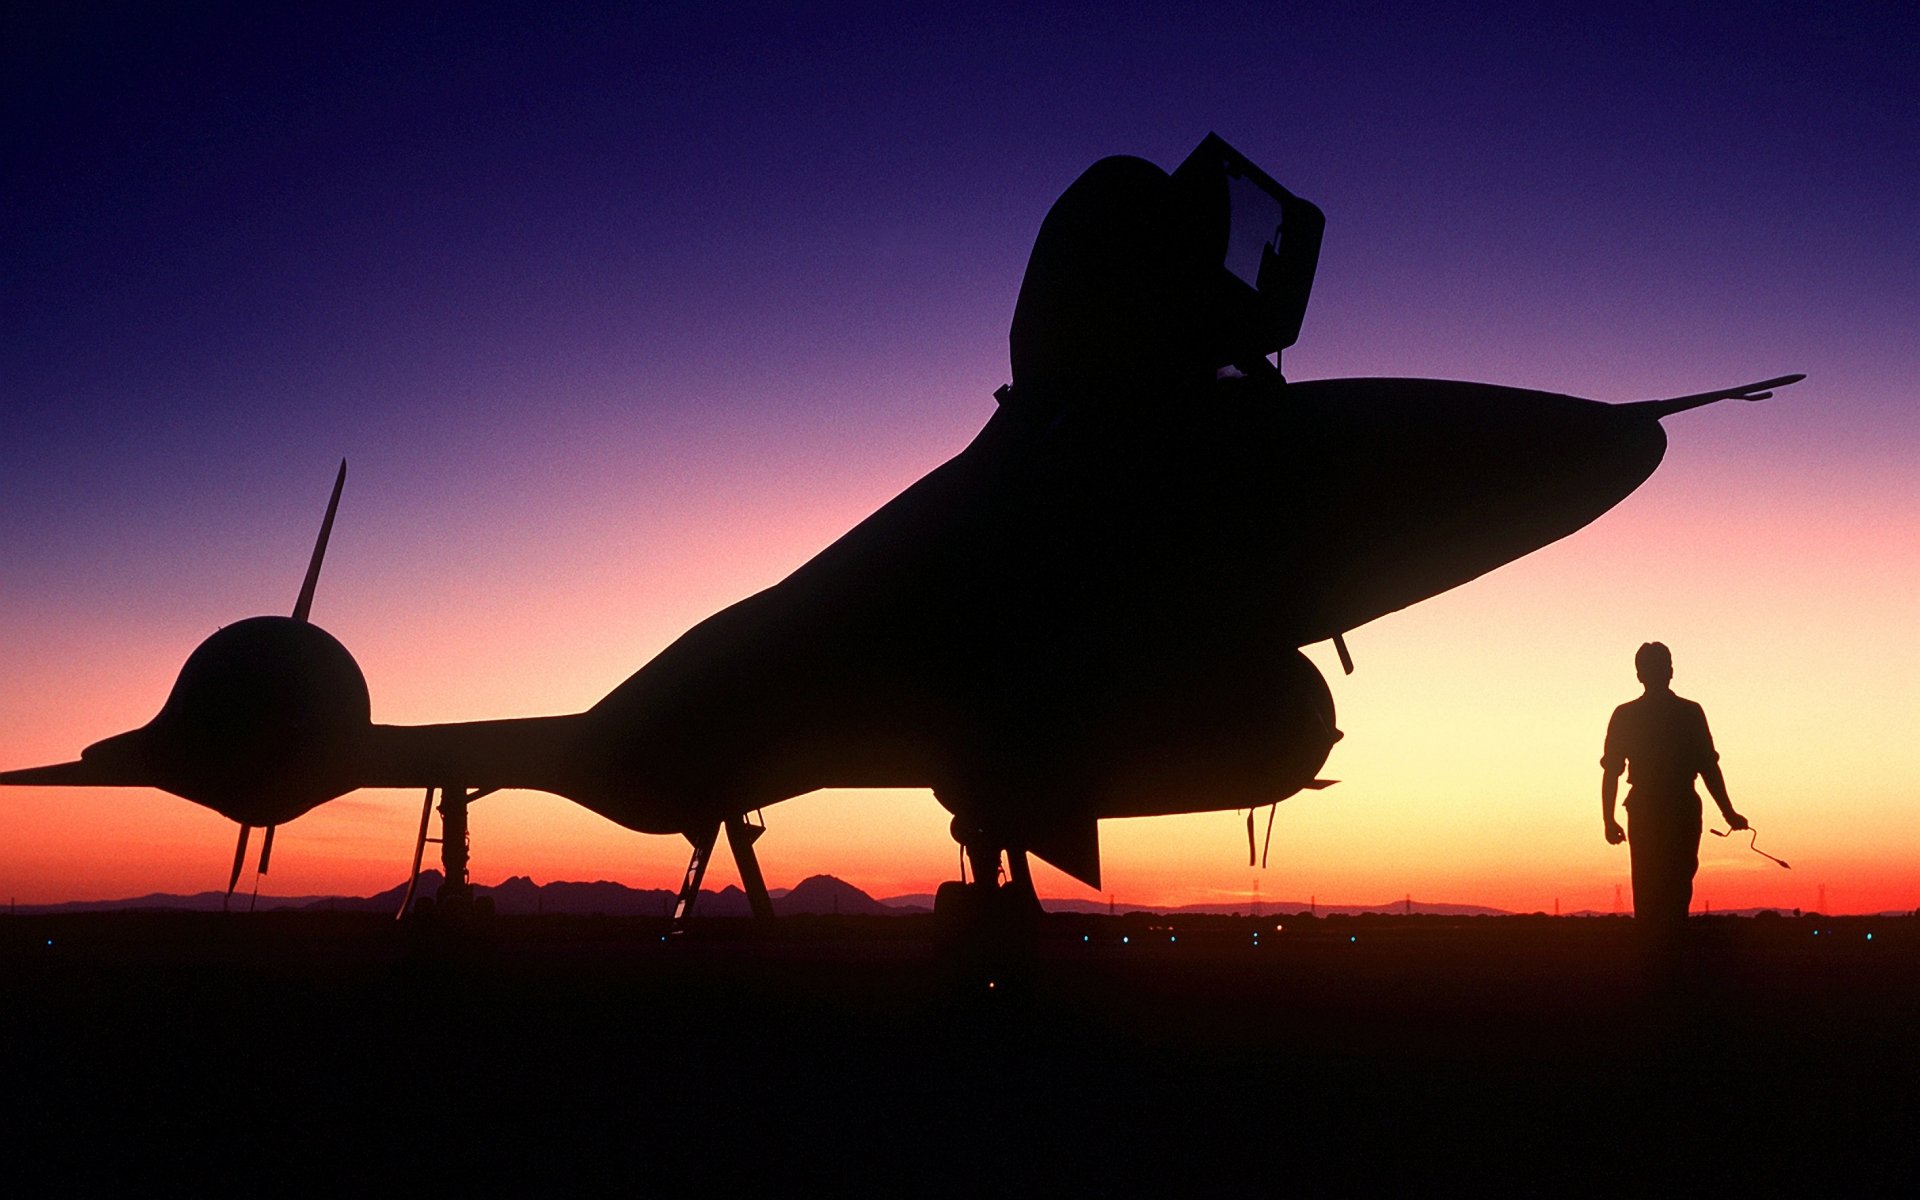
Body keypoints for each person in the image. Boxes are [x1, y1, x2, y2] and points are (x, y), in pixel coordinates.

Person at [1600, 642, 1747, 930]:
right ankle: (1664, 944)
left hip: (1659, 807)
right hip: (1669, 807)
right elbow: (1708, 767)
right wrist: (1728, 812)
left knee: (1655, 881)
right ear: (1667, 672)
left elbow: (1612, 772)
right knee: (1672, 882)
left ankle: (1660, 945)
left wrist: (1609, 820)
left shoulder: (1630, 714)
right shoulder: (1686, 712)